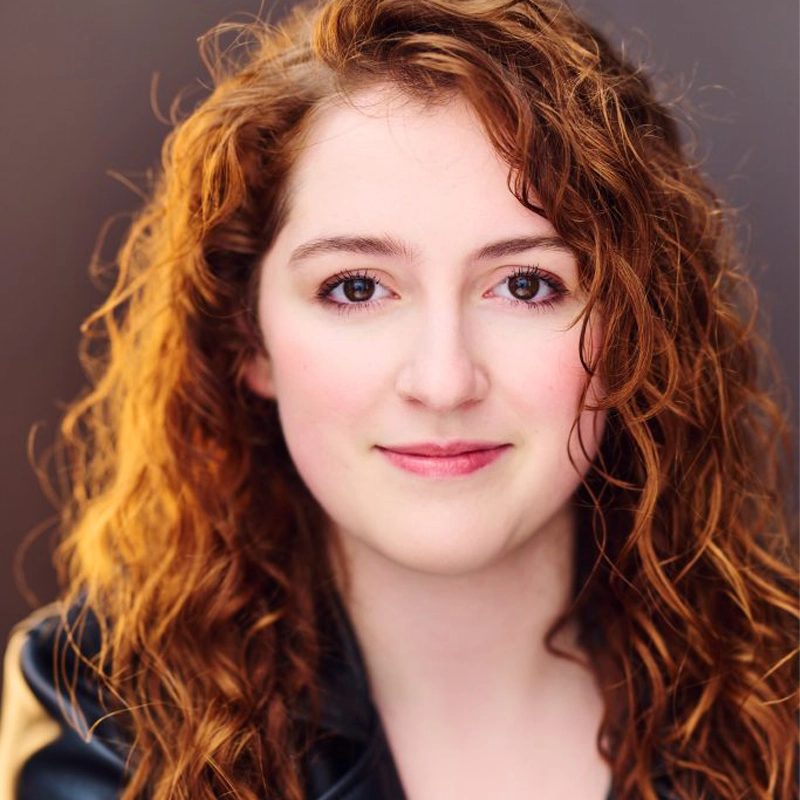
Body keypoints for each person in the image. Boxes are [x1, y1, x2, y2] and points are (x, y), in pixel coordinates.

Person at [0, 0, 796, 797]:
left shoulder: (782, 700)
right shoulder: (102, 724)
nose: (444, 381)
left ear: (635, 331)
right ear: (249, 338)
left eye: (525, 285)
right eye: (356, 288)